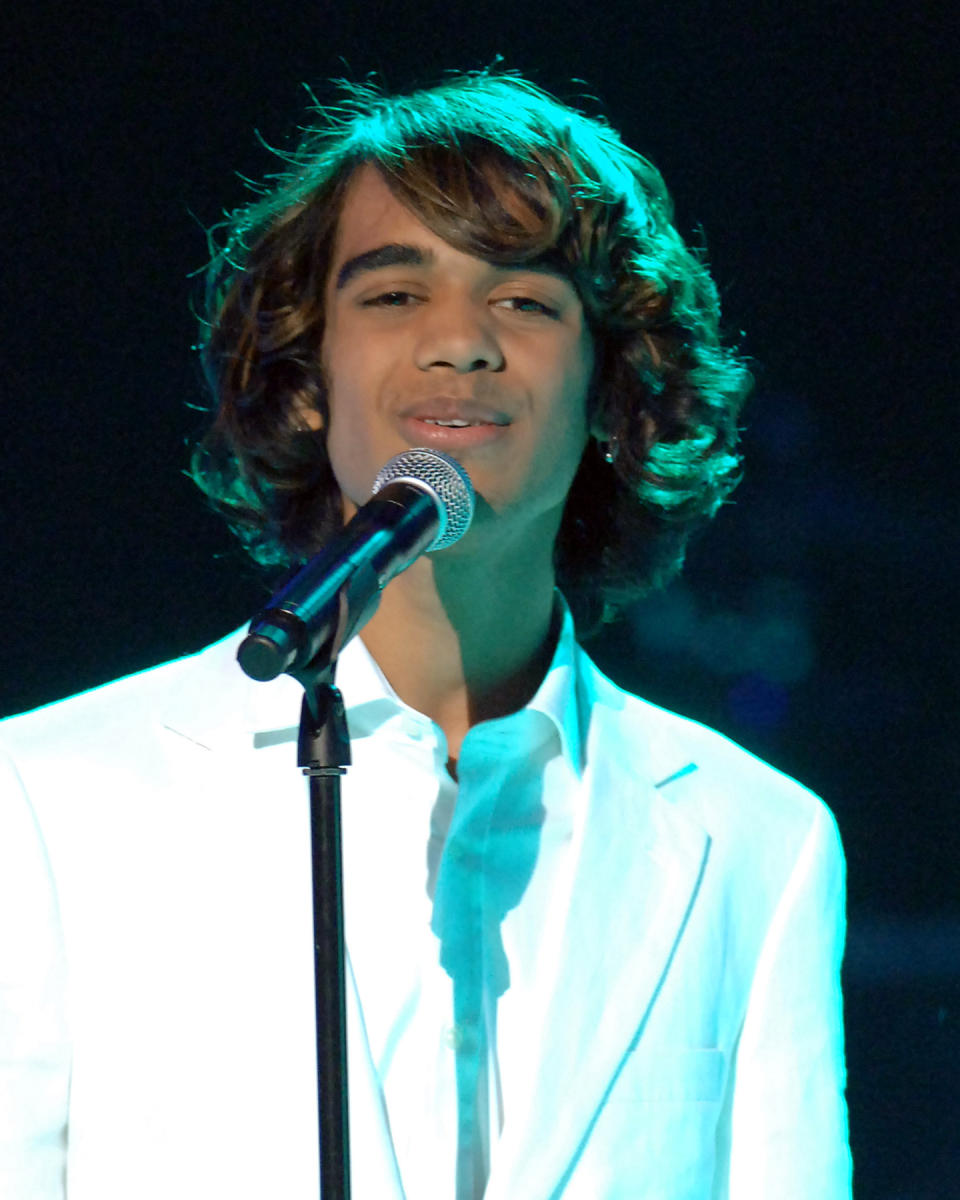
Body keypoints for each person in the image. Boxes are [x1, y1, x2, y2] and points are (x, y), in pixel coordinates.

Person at [0, 72, 852, 1198]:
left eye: (526, 302)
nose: (460, 342)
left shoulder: (756, 843)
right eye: (395, 296)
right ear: (309, 379)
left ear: (610, 390)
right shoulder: (52, 799)